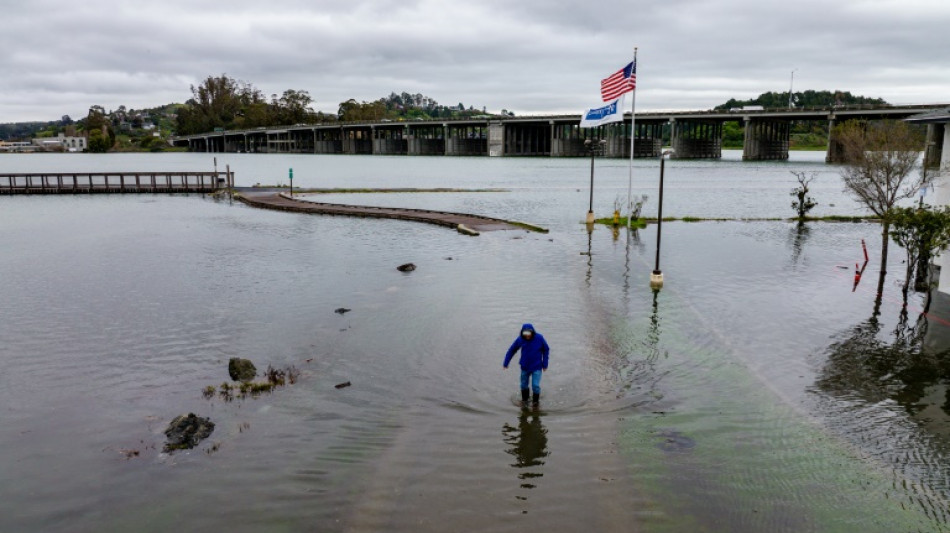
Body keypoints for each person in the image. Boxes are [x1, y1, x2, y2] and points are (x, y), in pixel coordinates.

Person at [503, 323, 550, 406]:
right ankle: (524, 400)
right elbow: (512, 350)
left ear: (532, 332)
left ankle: (535, 403)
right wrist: (506, 363)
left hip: (537, 367)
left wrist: (545, 364)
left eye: (529, 333)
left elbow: (546, 349)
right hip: (524, 366)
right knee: (523, 385)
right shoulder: (520, 339)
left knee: (535, 385)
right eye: (525, 334)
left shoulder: (539, 338)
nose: (527, 336)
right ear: (522, 333)